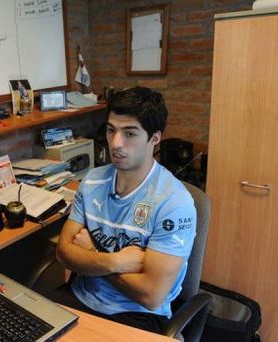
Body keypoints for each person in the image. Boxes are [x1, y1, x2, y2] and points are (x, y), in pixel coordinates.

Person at [49, 86, 197, 334]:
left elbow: (150, 295)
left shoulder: (174, 203)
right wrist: (115, 261)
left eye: (129, 133)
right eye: (111, 130)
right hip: (79, 298)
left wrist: (91, 256)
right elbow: (64, 254)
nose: (116, 143)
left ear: (155, 138)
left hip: (136, 315)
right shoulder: (92, 180)